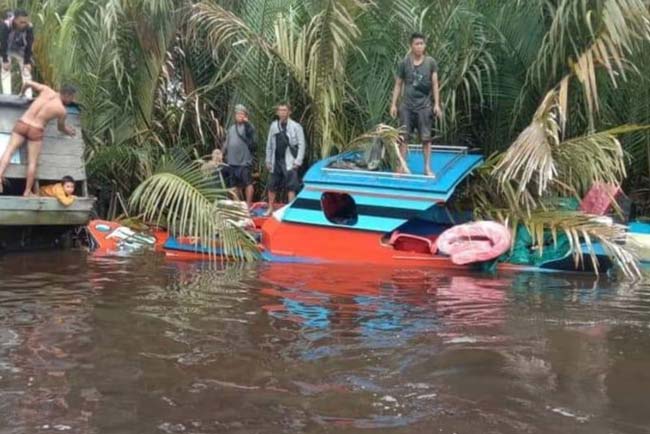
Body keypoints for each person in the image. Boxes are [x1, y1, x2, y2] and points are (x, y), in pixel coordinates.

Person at [0, 81, 76, 195]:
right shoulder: (62, 111)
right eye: (72, 98)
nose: (72, 101)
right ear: (67, 95)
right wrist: (69, 131)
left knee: (9, 151)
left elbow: (27, 83)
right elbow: (60, 128)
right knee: (32, 162)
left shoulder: (46, 90)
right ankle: (27, 191)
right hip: (36, 129)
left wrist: (21, 94)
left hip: (23, 123)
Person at [390, 32, 442, 177]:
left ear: (424, 46)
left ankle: (427, 168)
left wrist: (437, 104)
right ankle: (401, 167)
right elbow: (398, 84)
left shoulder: (430, 62)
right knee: (403, 138)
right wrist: (393, 104)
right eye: (416, 44)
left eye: (422, 44)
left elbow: (435, 84)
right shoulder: (404, 63)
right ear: (411, 46)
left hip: (424, 107)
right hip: (406, 106)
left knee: (426, 139)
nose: (419, 47)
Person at [265, 102, 306, 211]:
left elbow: (302, 144)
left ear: (289, 112)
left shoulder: (296, 126)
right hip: (276, 160)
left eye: (284, 110)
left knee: (291, 186)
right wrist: (268, 160)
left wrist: (298, 161)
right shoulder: (274, 125)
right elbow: (269, 144)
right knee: (272, 185)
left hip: (289, 160)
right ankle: (270, 208)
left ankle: (290, 210)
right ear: (277, 112)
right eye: (280, 110)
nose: (282, 112)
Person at [223, 104, 255, 207]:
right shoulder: (231, 128)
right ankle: (237, 207)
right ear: (235, 115)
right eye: (238, 113)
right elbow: (226, 143)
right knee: (234, 185)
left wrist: (247, 123)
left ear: (246, 115)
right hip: (232, 162)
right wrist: (221, 153)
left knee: (248, 183)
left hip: (244, 162)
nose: (240, 115)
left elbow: (252, 137)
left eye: (242, 113)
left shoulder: (248, 127)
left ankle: (248, 206)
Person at [0, 9, 34, 98]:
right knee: (5, 69)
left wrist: (27, 62)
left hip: (20, 49)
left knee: (26, 70)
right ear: (15, 20)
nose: (24, 24)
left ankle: (28, 96)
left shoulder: (29, 27)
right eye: (21, 22)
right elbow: (3, 43)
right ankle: (7, 96)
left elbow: (29, 45)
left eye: (26, 22)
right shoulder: (6, 25)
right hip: (7, 48)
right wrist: (4, 60)